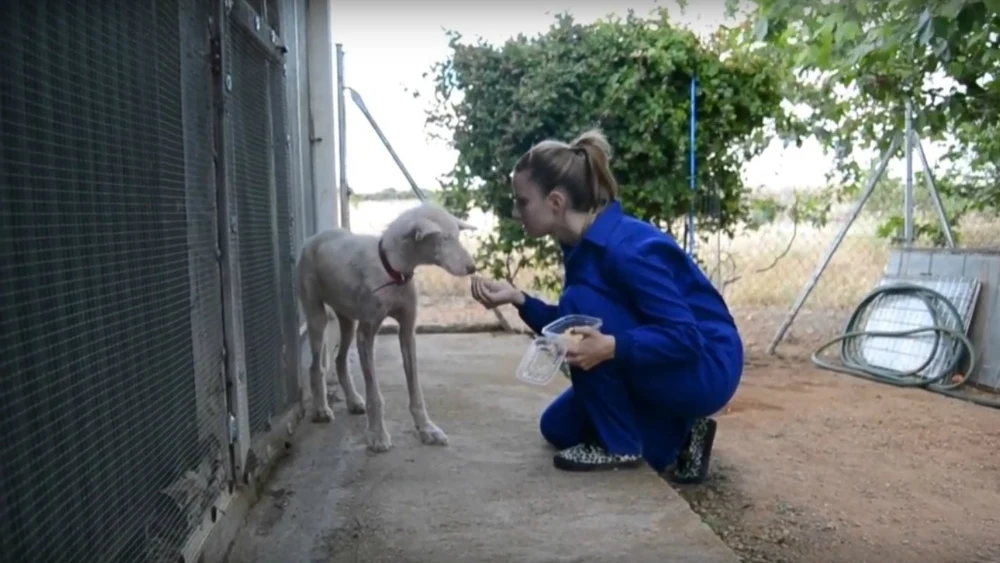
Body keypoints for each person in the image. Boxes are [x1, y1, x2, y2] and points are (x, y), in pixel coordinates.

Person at [470, 129, 744, 480]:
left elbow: (684, 337)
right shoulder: (580, 246)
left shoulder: (627, 249)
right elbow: (573, 326)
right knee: (558, 428)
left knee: (578, 301)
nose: (515, 211)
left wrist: (611, 347)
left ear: (555, 202)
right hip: (664, 357)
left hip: (706, 365)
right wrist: (518, 299)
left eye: (522, 201)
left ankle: (621, 445)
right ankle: (685, 432)